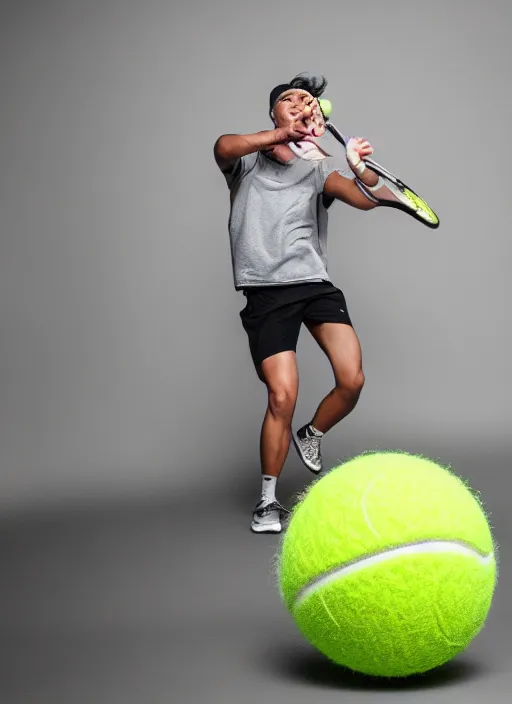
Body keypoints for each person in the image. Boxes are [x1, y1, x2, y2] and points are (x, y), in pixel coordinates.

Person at [214, 73, 381, 534]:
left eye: (307, 101)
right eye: (289, 99)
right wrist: (283, 136)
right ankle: (267, 502)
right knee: (282, 394)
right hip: (267, 292)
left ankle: (313, 433)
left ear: (316, 114)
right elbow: (223, 146)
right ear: (274, 112)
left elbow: (369, 199)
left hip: (315, 285)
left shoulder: (319, 168)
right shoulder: (246, 164)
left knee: (352, 380)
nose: (299, 104)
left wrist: (358, 167)